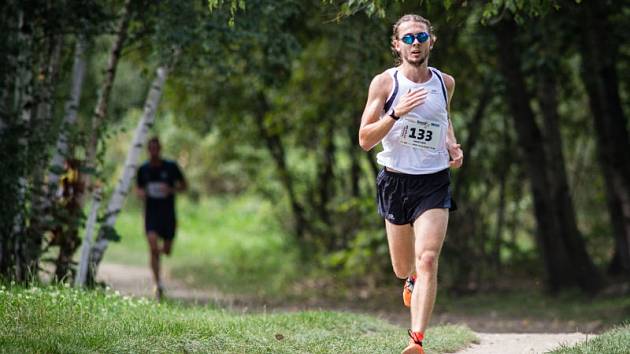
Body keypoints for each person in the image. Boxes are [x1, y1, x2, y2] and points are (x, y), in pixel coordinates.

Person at [358, 14, 463, 354]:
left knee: (429, 258)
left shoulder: (444, 82)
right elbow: (364, 139)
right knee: (404, 267)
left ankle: (416, 341)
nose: (415, 43)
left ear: (431, 40)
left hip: (433, 182)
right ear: (397, 45)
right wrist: (395, 113)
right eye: (407, 38)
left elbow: (443, 120)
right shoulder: (385, 84)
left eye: (421, 37)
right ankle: (411, 279)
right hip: (395, 181)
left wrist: (451, 145)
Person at [136, 137, 187, 300]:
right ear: (147, 150)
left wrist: (171, 189)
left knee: (167, 250)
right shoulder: (143, 169)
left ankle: (158, 253)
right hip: (151, 213)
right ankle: (158, 283)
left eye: (156, 148)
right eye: (150, 148)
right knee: (152, 244)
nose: (153, 151)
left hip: (168, 213)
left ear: (160, 149)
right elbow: (137, 189)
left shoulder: (171, 167)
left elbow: (184, 186)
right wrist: (142, 193)